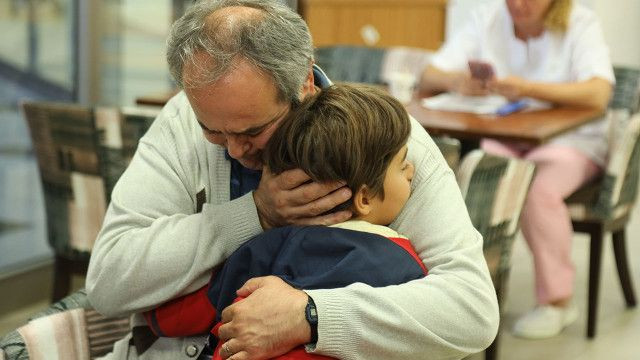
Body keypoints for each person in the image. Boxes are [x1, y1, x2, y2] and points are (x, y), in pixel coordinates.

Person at [86, 1, 499, 359]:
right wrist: (255, 214)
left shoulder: (384, 146)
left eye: (252, 132)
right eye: (213, 130)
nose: (232, 150)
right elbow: (108, 282)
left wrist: (310, 316)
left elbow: (471, 310)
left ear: (304, 82)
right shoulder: (181, 122)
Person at [143, 84, 427, 360]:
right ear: (364, 198)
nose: (412, 171)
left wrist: (158, 318)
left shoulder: (272, 241)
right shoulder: (402, 261)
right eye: (403, 166)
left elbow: (194, 307)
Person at [419, 0, 614, 339]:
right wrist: (458, 82)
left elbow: (599, 93)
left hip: (572, 142)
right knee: (472, 172)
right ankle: (463, 289)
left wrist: (527, 88)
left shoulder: (580, 23)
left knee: (537, 189)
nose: (517, 4)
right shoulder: (489, 17)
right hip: (508, 135)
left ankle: (558, 301)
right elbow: (429, 73)